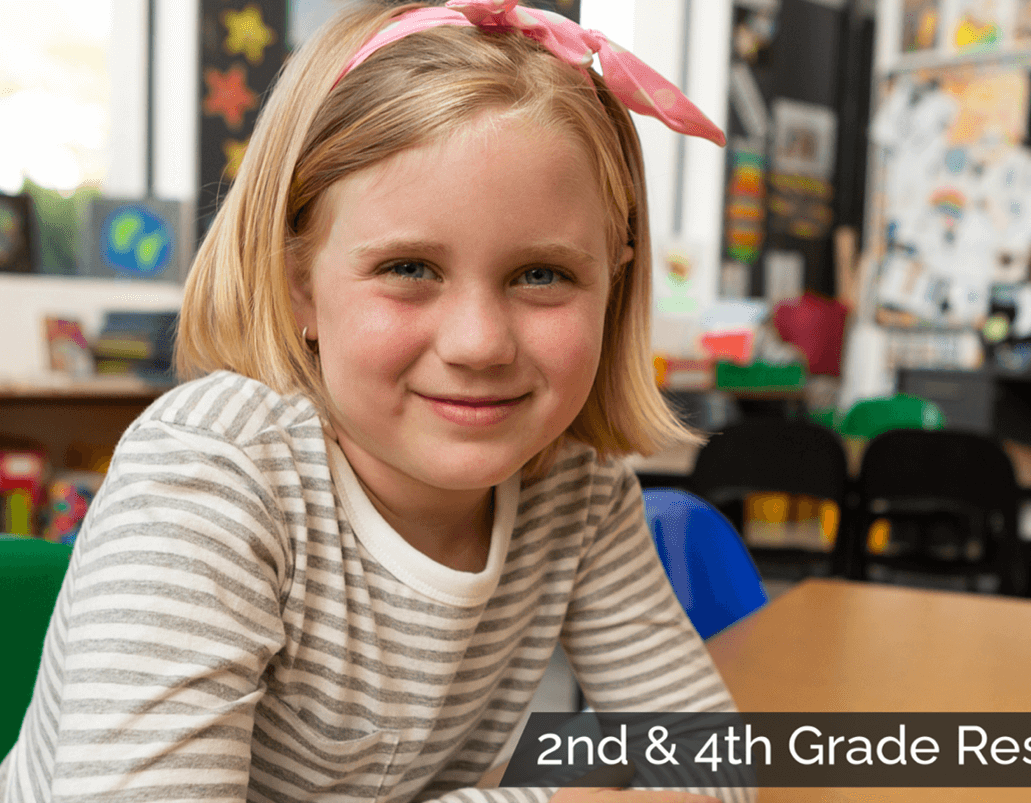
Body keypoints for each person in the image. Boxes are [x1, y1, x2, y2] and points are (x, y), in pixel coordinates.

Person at [0, 2, 748, 801]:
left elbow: (714, 769)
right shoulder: (214, 471)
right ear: (300, 288)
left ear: (615, 281)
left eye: (542, 275)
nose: (478, 343)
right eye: (410, 268)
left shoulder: (580, 493)